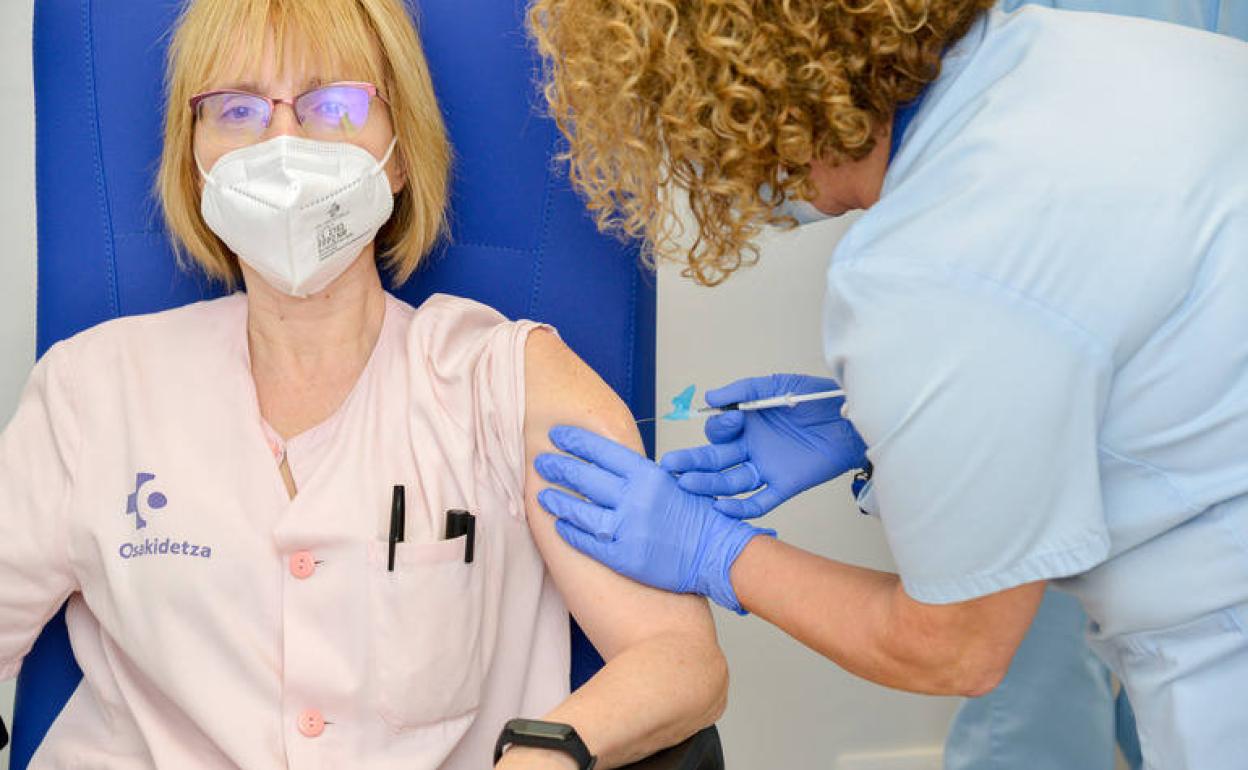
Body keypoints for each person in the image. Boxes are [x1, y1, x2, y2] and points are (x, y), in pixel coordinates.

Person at [0, 1, 728, 768]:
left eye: (334, 105)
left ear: (401, 152)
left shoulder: (506, 382)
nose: (282, 142)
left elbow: (680, 661)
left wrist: (543, 755)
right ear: (194, 160)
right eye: (236, 109)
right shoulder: (91, 390)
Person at [526, 2, 1248, 768]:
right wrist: (888, 424)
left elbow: (957, 650)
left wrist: (716, 551)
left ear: (737, 99)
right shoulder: (1109, 52)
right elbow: (1115, 324)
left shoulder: (928, 266)